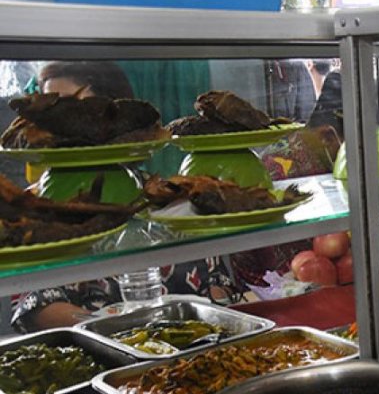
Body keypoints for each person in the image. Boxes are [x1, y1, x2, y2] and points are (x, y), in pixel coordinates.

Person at [11, 61, 243, 332]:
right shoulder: (37, 208)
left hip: (187, 348)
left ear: (113, 115)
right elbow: (35, 307)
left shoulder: (166, 198)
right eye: (48, 109)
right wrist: (126, 331)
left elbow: (217, 286)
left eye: (68, 106)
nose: (54, 121)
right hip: (97, 354)